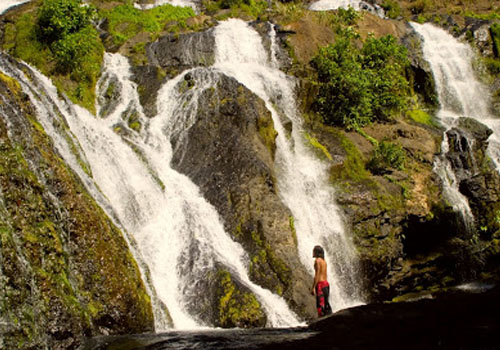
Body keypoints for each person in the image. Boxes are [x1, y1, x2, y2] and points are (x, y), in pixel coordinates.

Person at [311, 245, 332, 317]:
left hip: (320, 284)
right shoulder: (324, 261)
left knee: (320, 305)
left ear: (316, 252)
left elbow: (317, 274)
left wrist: (313, 287)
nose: (312, 253)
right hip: (326, 284)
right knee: (326, 304)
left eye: (313, 251)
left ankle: (321, 321)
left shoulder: (317, 261)